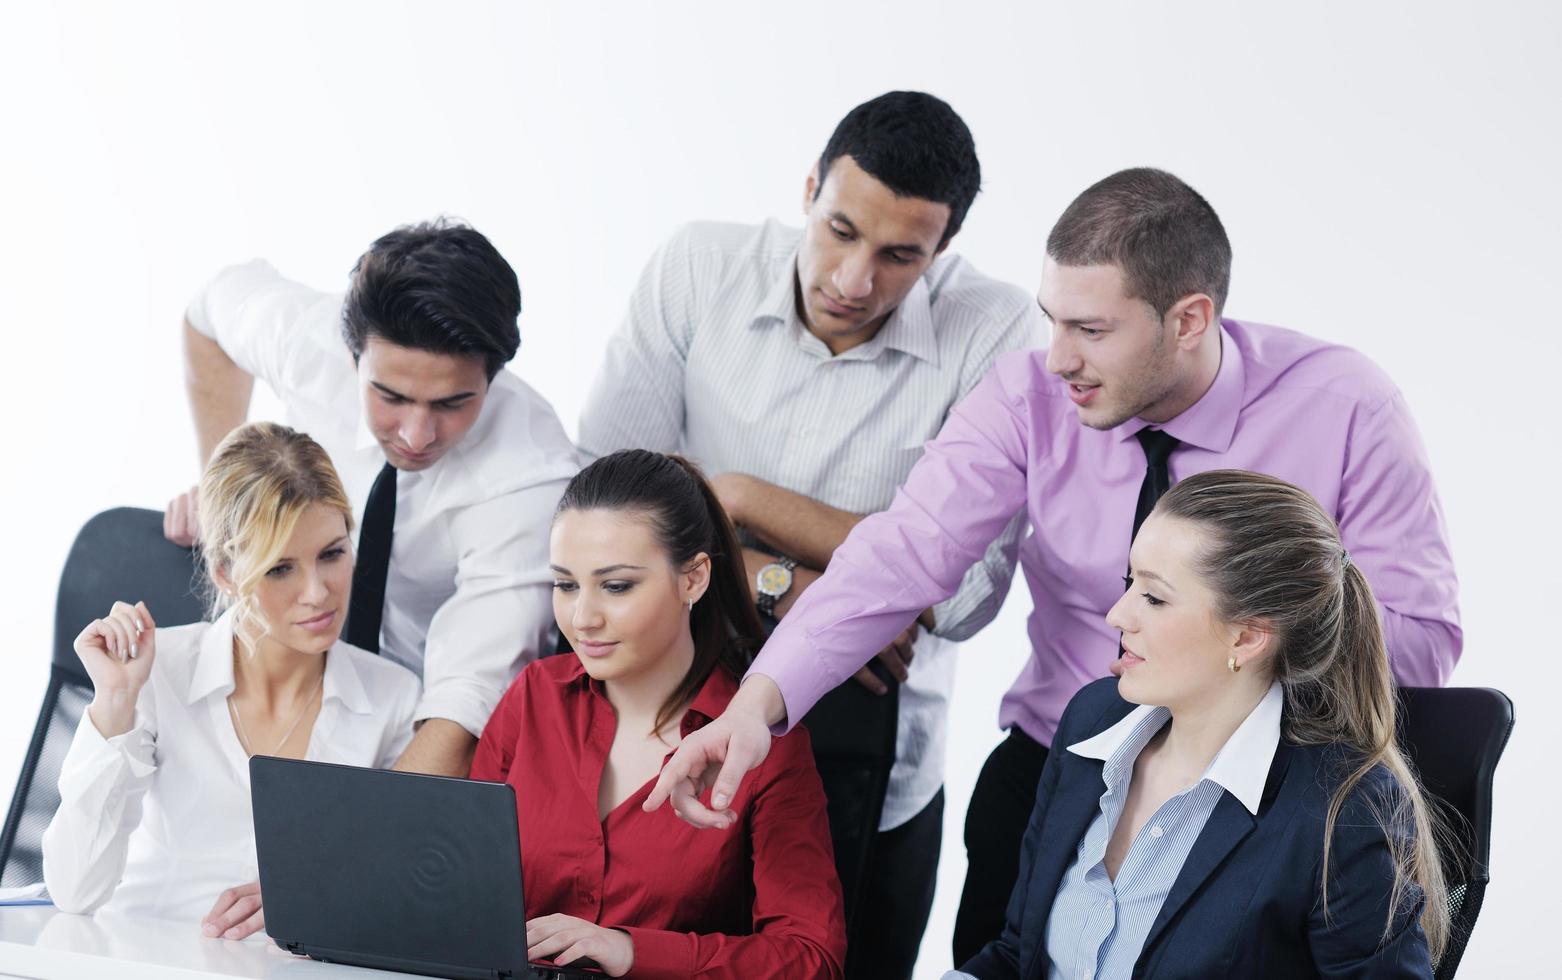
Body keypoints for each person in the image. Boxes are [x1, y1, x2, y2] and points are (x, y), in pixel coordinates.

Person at [642, 167, 1463, 965]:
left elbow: (1418, 642)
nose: (1058, 357)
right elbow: (900, 554)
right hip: (1063, 768)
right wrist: (756, 708)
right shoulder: (1029, 394)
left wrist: (1238, 674)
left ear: (1189, 319)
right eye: (1052, 321)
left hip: (1269, 786)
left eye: (1092, 330)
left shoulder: (1346, 406)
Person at [579, 90, 1040, 974]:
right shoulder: (698, 267)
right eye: (839, 229)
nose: (854, 279)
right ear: (808, 191)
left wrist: (737, 495)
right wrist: (773, 576)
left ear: (942, 252)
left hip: (874, 761)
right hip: (671, 732)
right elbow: (598, 504)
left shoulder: (996, 328)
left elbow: (970, 590)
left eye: (900, 255)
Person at [948, 470, 1449, 978]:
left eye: (1154, 598)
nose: (1117, 615)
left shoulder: (1343, 809)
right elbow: (1019, 954)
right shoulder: (1091, 722)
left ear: (1247, 638)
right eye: (1130, 583)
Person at [169, 219, 578, 777]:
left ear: (494, 375)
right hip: (289, 683)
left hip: (416, 716)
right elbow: (207, 314)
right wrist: (223, 495)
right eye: (391, 396)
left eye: (452, 403)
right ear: (352, 354)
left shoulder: (530, 477)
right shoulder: (308, 340)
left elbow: (461, 713)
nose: (415, 434)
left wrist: (358, 847)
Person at [468, 450, 845, 979]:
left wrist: (630, 951)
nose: (582, 619)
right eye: (566, 584)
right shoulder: (533, 697)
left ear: (692, 578)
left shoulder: (768, 746)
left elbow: (812, 960)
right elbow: (462, 893)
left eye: (616, 586)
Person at [42, 422, 421, 939]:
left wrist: (317, 891)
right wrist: (116, 701)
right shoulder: (159, 673)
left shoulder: (392, 699)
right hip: (144, 958)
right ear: (225, 572)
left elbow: (403, 888)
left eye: (332, 554)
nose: (318, 593)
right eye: (280, 568)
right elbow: (74, 888)